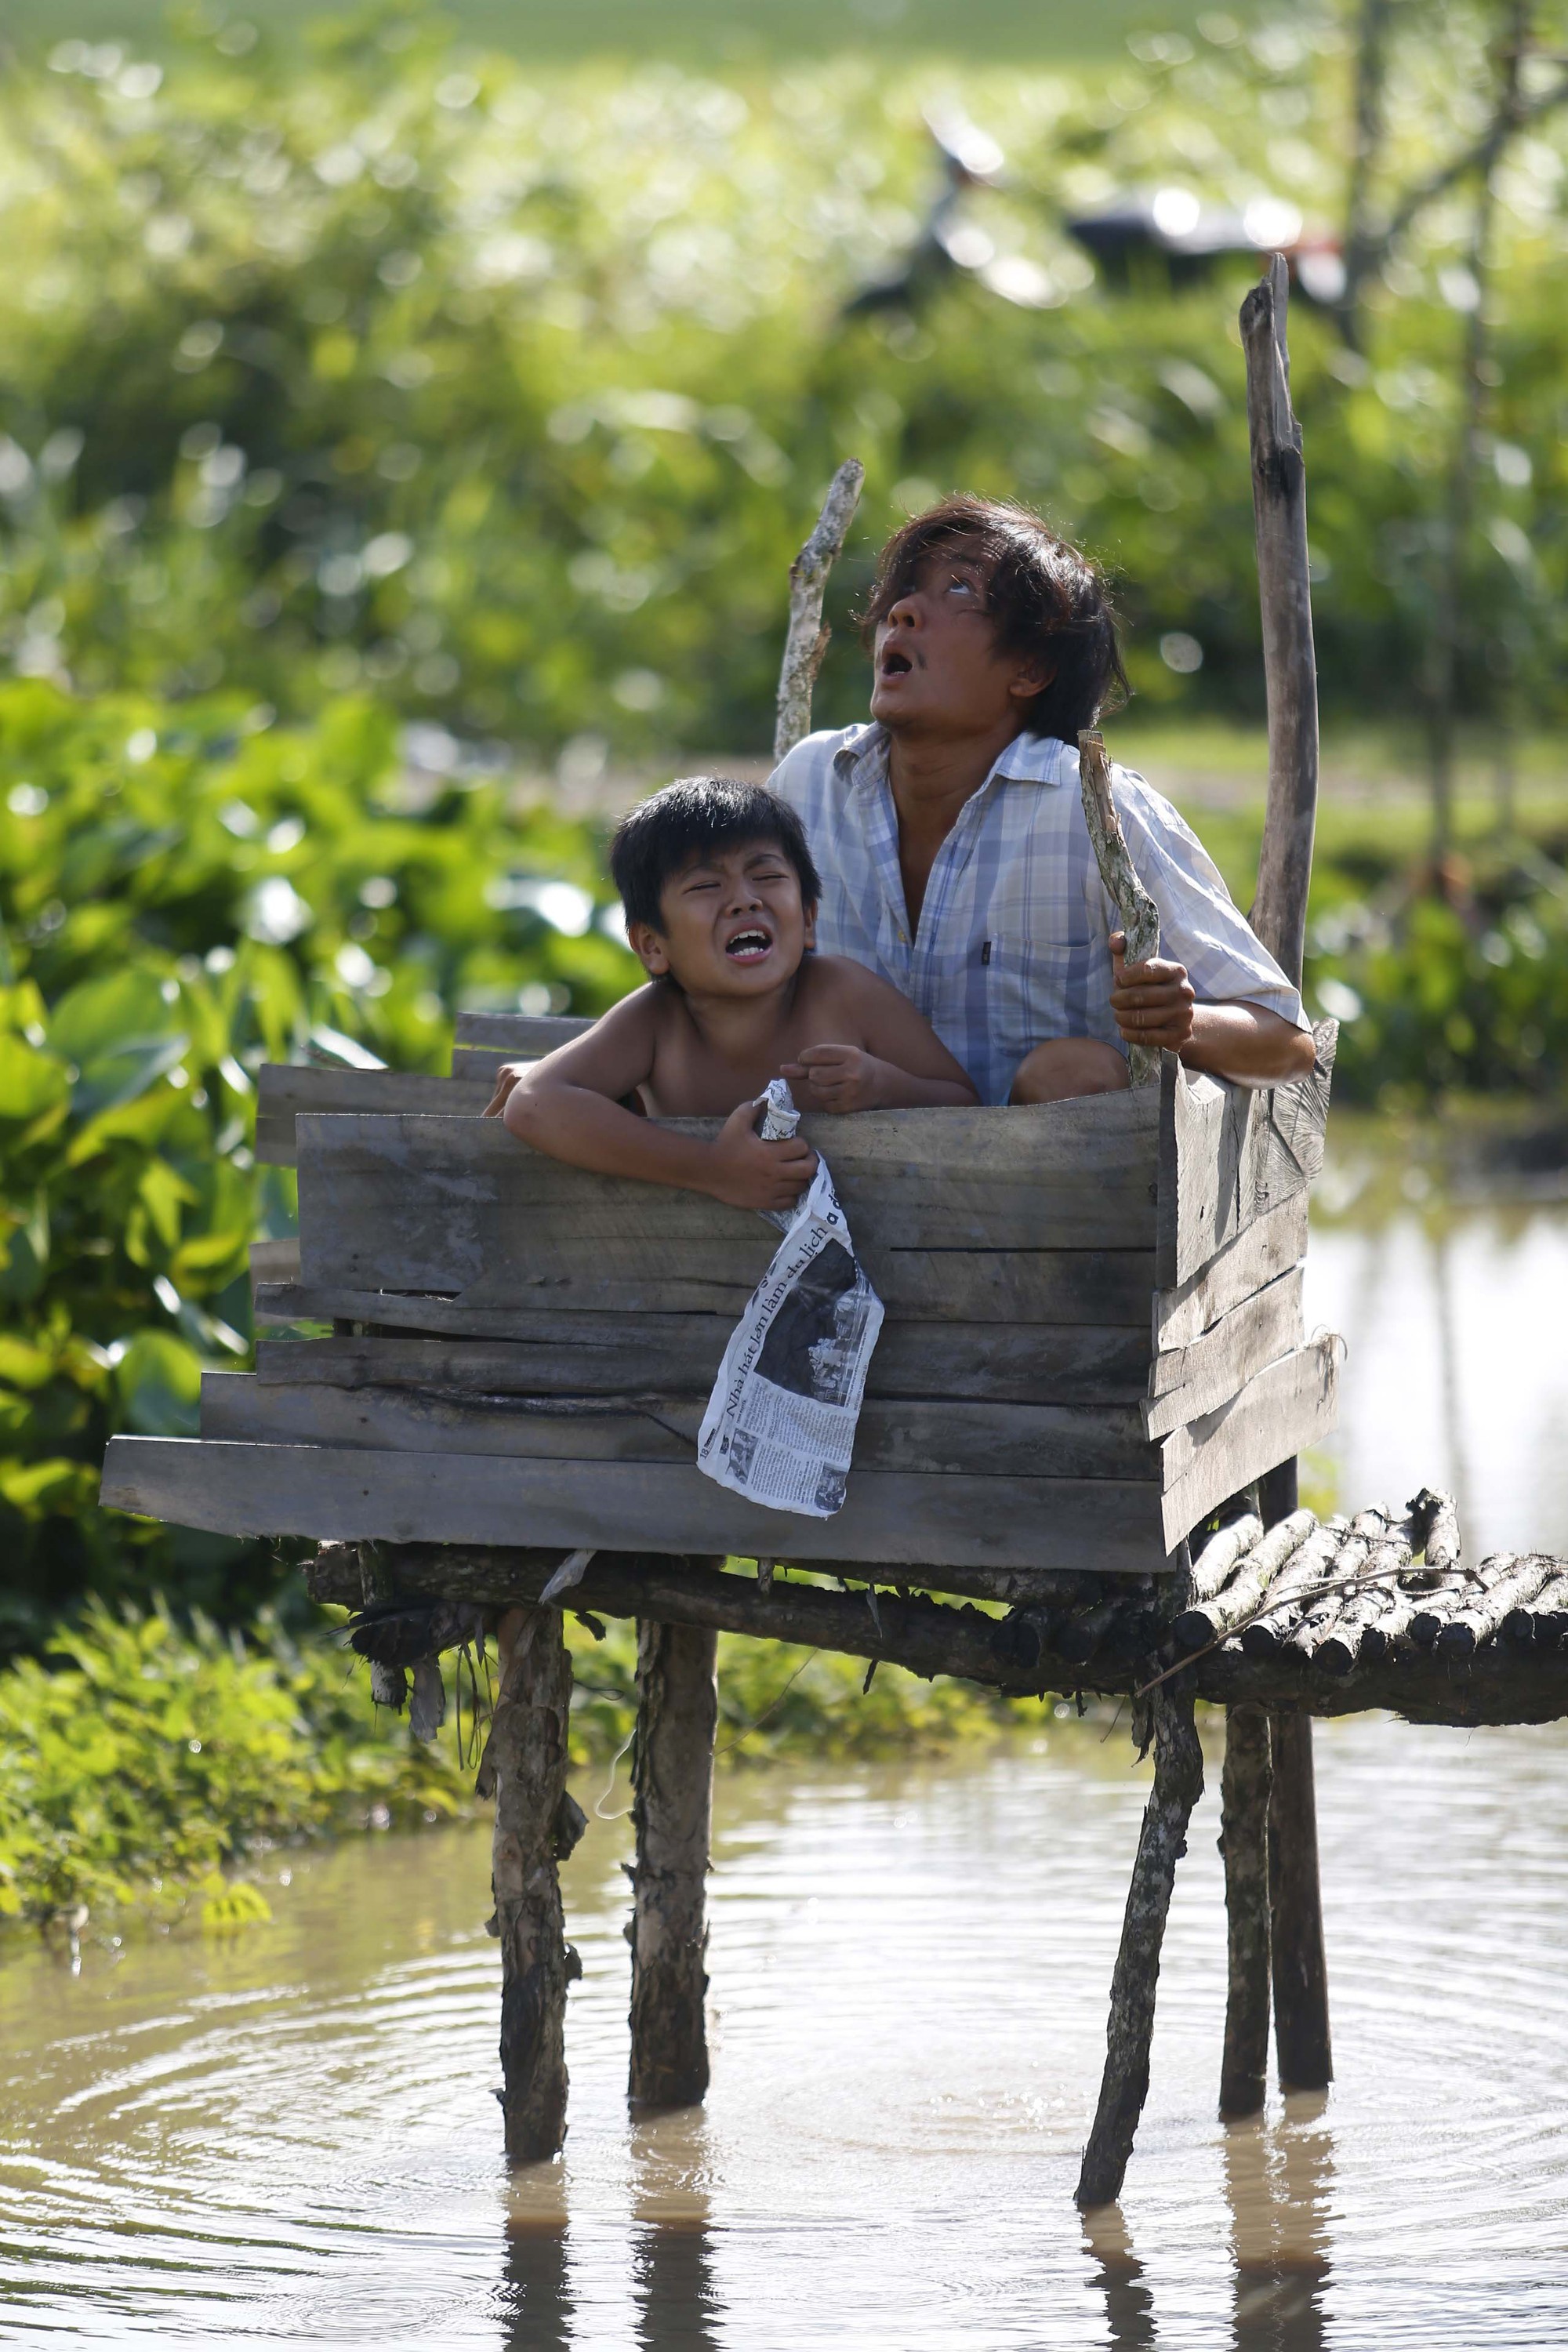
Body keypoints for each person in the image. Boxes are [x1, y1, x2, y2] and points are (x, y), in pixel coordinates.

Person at [768, 495, 1319, 1107]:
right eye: (903, 594)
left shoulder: (1093, 810)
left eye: (957, 590)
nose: (901, 613)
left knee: (1073, 1070)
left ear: (1029, 669)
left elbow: (1287, 1043)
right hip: (838, 1176)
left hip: (1047, 1185)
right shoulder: (809, 783)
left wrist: (1182, 1024)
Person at [483, 775, 978, 1215]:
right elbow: (533, 1103)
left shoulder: (846, 995)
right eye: (705, 885)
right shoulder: (657, 1021)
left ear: (807, 918)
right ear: (653, 946)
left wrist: (885, 1086)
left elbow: (965, 1105)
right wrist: (713, 1169)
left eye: (767, 877)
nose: (745, 899)